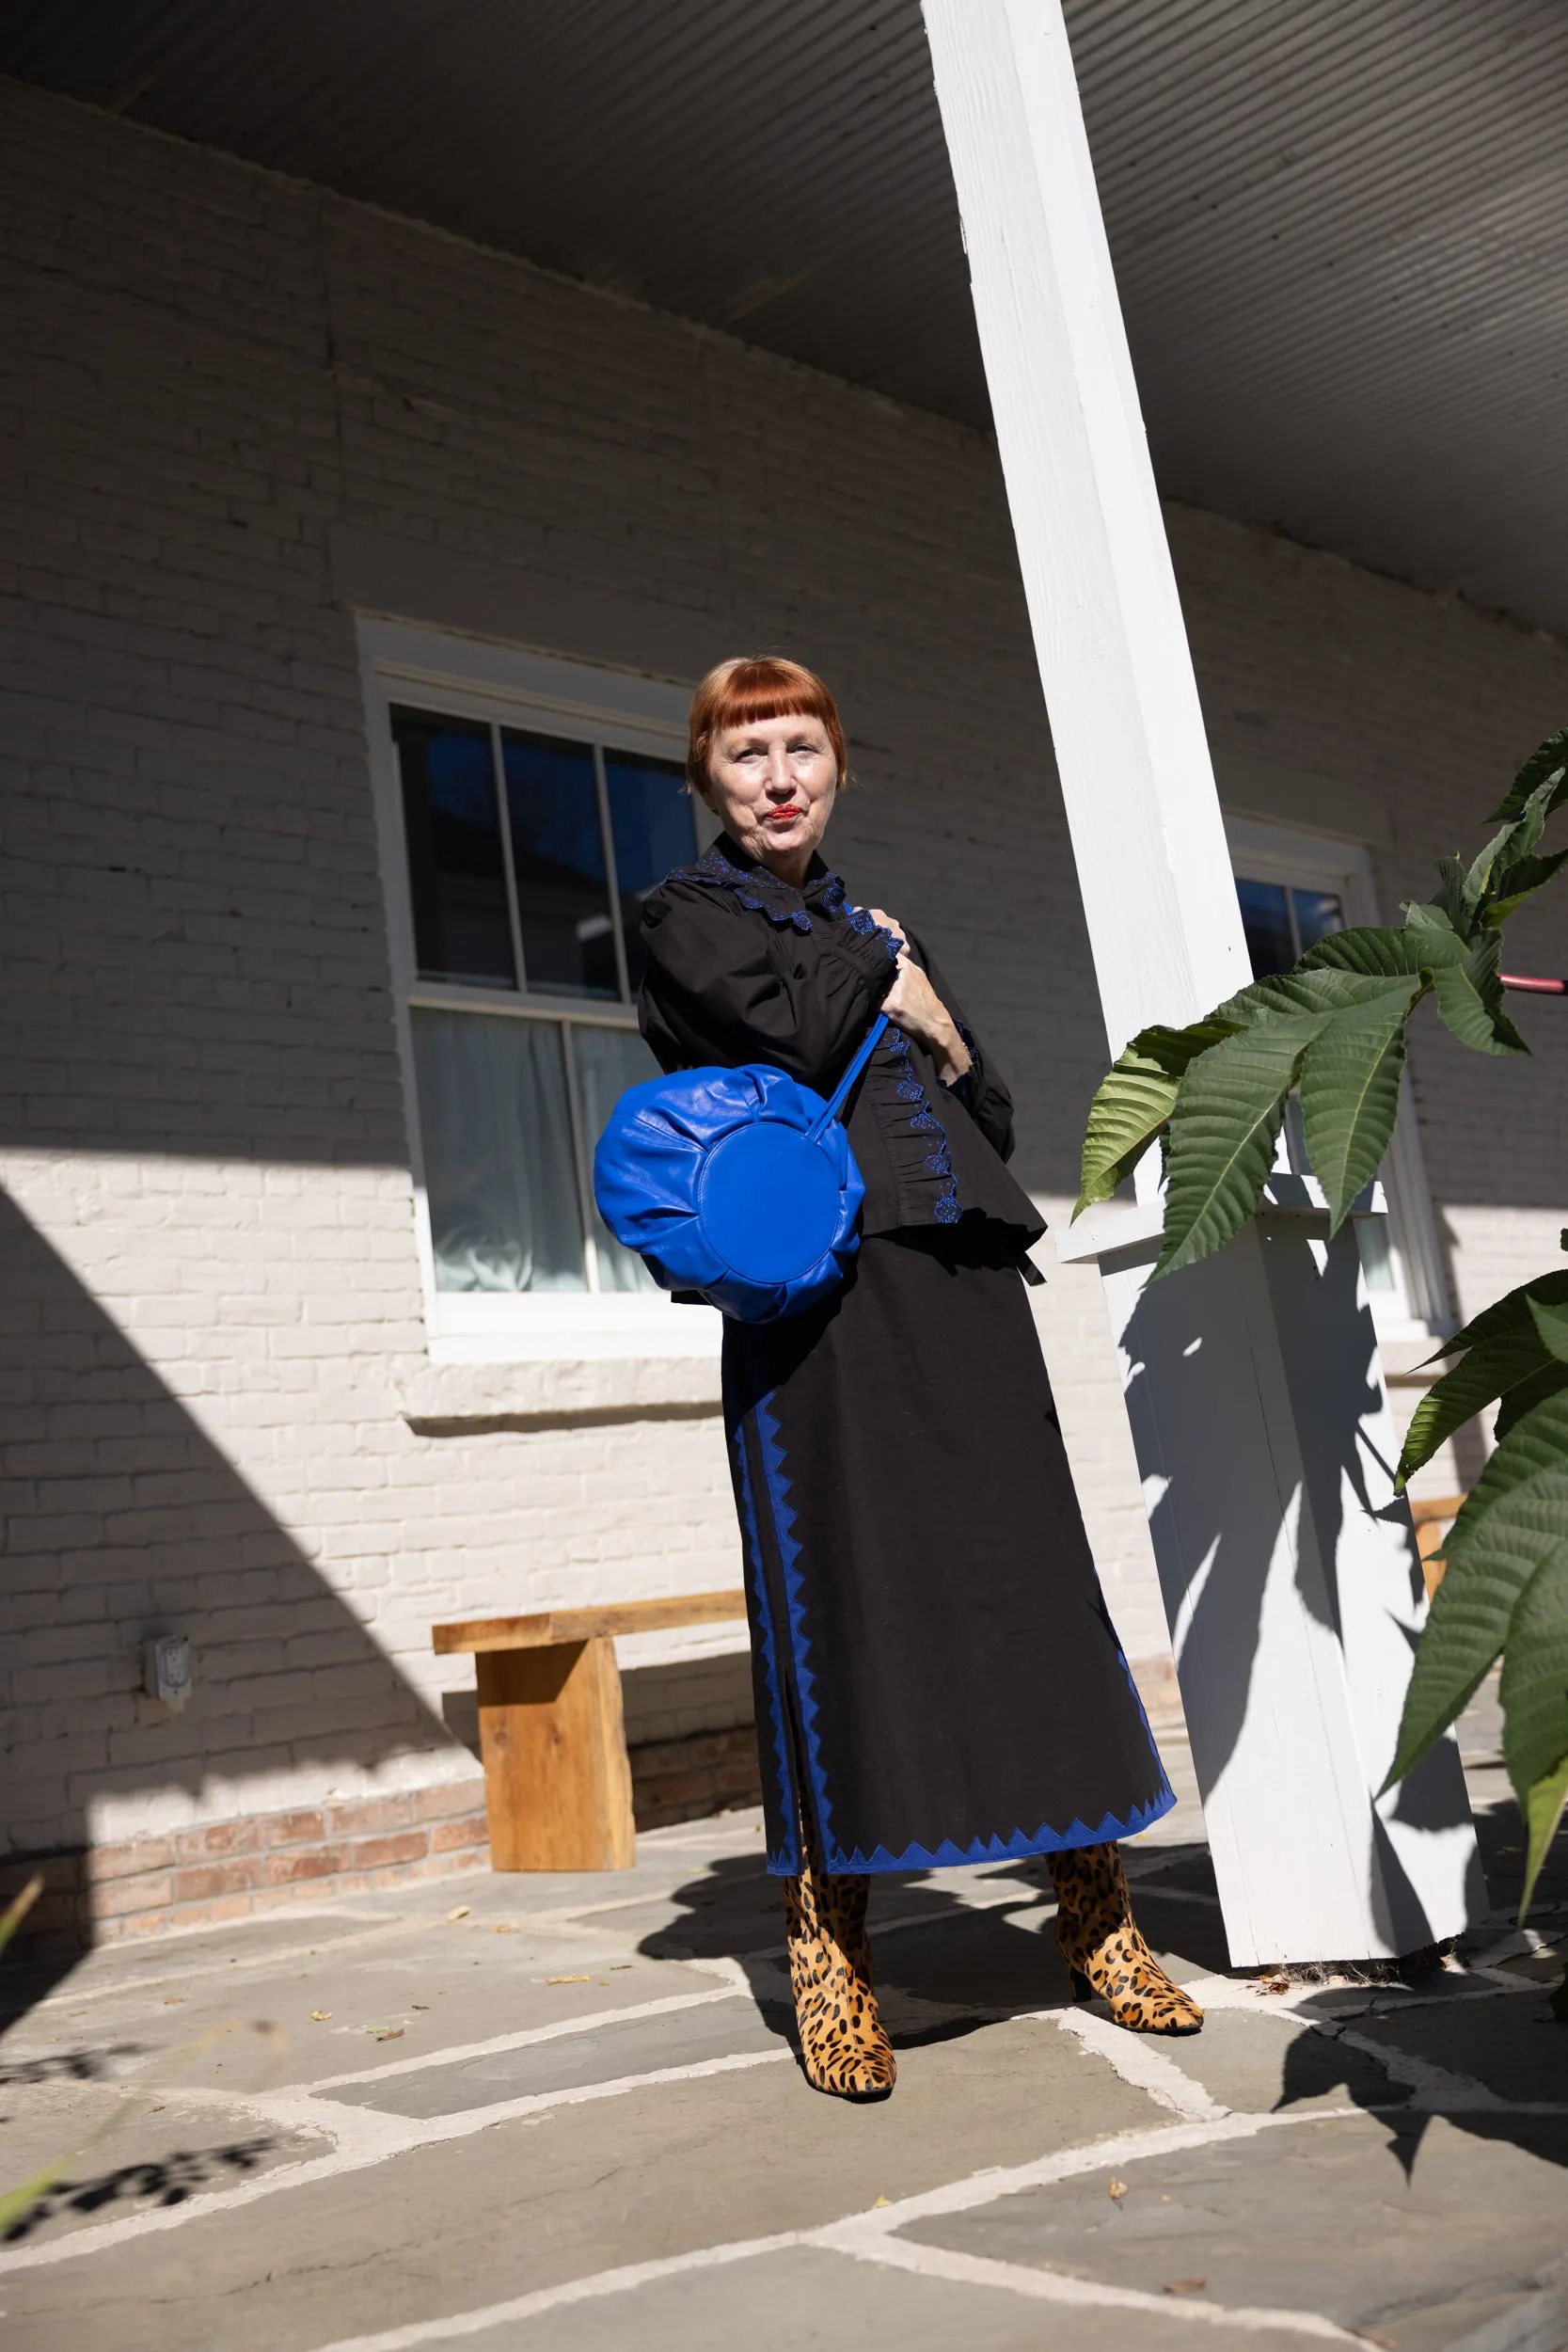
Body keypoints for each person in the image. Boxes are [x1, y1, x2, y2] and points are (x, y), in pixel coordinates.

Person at [638, 657, 1201, 2101]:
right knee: (845, 1607)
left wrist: (923, 1006)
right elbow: (787, 1031)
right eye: (749, 752)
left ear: (838, 769)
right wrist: (888, 981)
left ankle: (1096, 1920)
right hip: (820, 1308)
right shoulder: (685, 919)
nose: (778, 777)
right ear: (708, 774)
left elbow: (989, 1110)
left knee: (1032, 1596)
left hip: (960, 1283)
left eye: (802, 750)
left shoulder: (878, 925)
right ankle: (830, 1960)